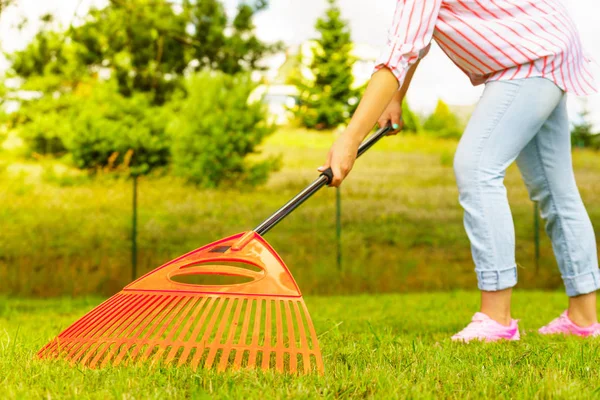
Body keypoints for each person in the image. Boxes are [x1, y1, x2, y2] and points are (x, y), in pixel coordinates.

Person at [319, 0, 600, 342]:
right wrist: (395, 98)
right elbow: (414, 45)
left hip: (530, 56)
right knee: (556, 189)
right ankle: (583, 319)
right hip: (548, 44)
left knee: (477, 166)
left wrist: (350, 138)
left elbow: (399, 53)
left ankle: (497, 317)